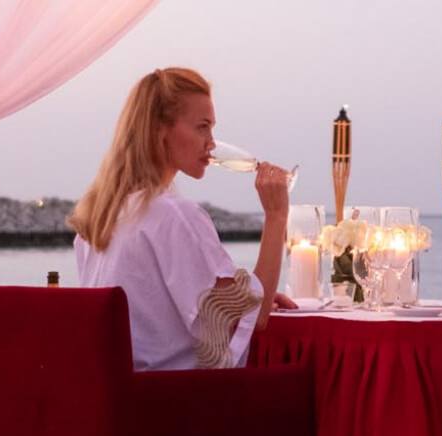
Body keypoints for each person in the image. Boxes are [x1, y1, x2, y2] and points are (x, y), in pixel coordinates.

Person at [70, 67, 295, 370]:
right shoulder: (174, 216)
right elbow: (254, 321)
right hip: (178, 405)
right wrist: (276, 215)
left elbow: (160, 314)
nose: (212, 143)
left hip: (125, 403)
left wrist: (246, 295)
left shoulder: (98, 221)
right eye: (202, 127)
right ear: (159, 131)